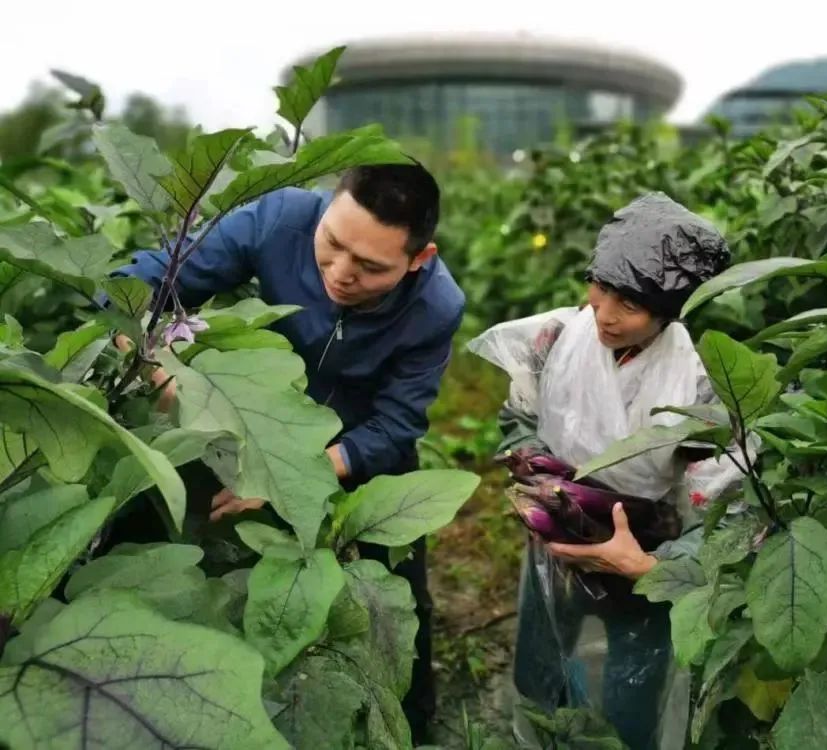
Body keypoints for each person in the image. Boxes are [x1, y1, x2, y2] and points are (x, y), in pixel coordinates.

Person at [108, 162, 463, 744]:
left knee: (396, 610)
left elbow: (396, 425)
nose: (341, 273)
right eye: (331, 245)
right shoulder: (278, 218)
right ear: (326, 211)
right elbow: (145, 284)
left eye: (371, 266)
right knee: (178, 544)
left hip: (355, 449)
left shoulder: (436, 305)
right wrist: (152, 366)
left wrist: (290, 479)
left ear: (417, 260)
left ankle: (412, 726)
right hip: (252, 421)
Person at [468, 192, 751, 750]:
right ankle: (541, 738)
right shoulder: (553, 341)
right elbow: (520, 416)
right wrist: (532, 471)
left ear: (671, 311)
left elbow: (724, 504)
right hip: (558, 534)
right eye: (601, 289)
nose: (605, 314)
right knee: (542, 659)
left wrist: (654, 567)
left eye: (631, 304)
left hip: (641, 548)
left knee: (632, 687)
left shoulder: (697, 390)